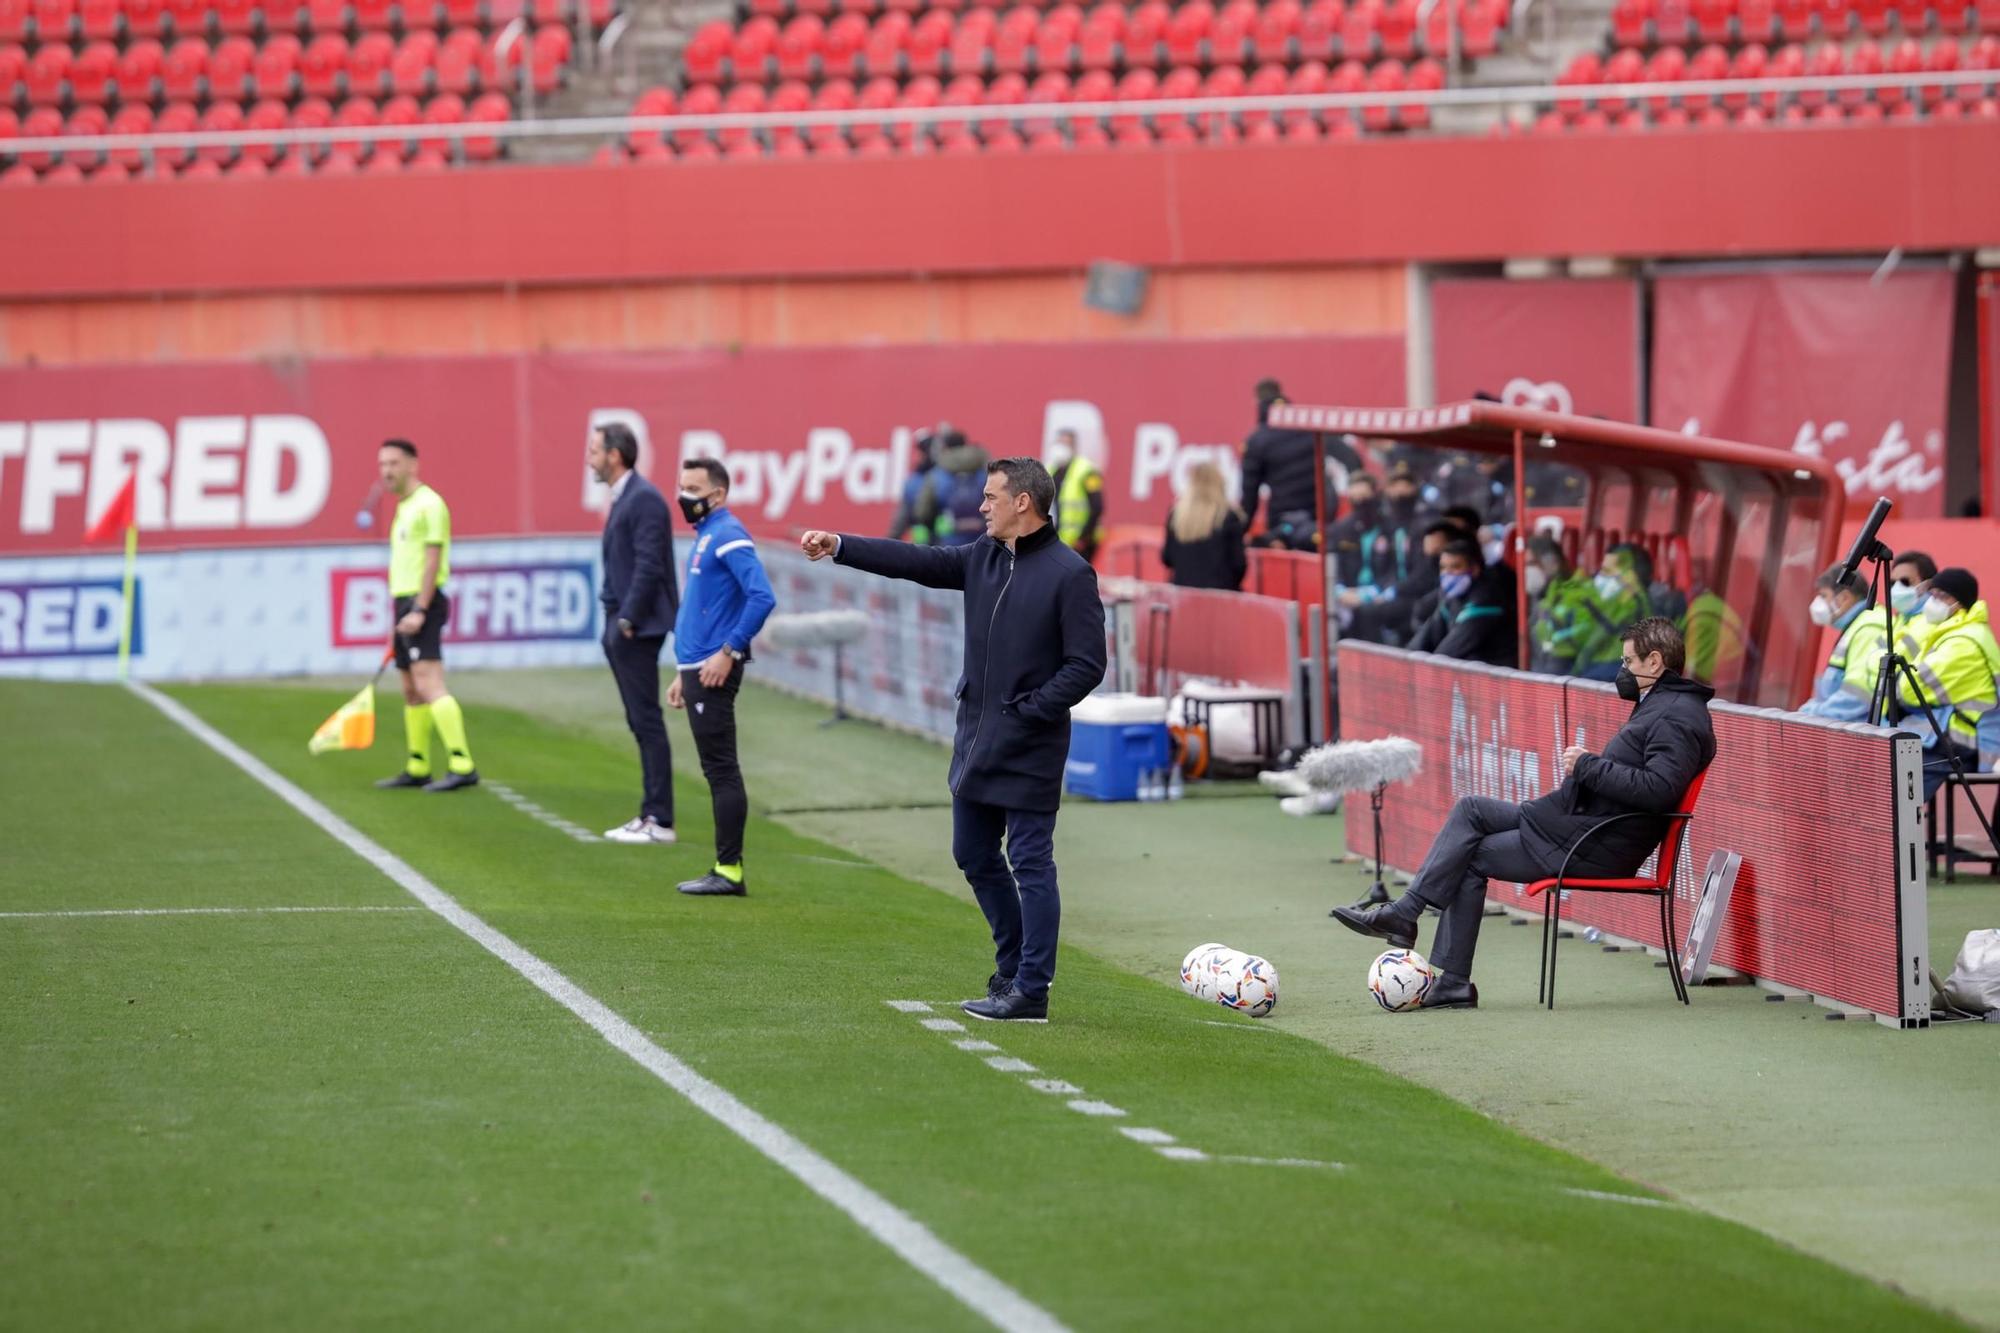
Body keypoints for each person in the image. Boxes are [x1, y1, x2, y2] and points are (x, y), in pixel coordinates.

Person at [800, 457, 1107, 1023]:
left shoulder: (1070, 573)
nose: (980, 506)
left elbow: (1087, 665)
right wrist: (841, 544)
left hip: (1031, 743)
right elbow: (915, 561)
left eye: (991, 497)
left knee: (1032, 862)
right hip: (977, 738)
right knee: (972, 854)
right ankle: (1012, 968)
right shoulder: (982, 557)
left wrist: (1032, 710)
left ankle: (1031, 991)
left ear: (1023, 503)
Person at [1334, 617, 1716, 1008]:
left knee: (1469, 856)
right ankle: (1408, 917)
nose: (1622, 672)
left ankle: (1441, 964)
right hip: (1574, 825)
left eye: (1628, 663)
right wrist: (1590, 768)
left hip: (1592, 844)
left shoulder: (1677, 714)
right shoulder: (1664, 705)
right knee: (1470, 810)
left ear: (1655, 662)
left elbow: (1659, 791)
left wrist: (1587, 765)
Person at [668, 457, 778, 896]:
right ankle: (725, 866)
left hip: (713, 670)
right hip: (696, 670)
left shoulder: (728, 534)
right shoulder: (708, 534)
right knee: (717, 768)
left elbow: (762, 596)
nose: (684, 497)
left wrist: (727, 651)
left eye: (693, 488)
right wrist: (683, 672)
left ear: (718, 495)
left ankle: (728, 869)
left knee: (721, 769)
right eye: (682, 486)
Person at [590, 422, 680, 845]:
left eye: (594, 450)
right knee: (639, 721)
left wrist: (627, 619)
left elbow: (650, 565)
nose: (589, 457)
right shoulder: (628, 496)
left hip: (636, 627)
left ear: (614, 454)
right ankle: (649, 813)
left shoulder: (643, 499)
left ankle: (660, 819)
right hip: (624, 621)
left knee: (646, 720)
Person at [373, 438, 478, 793]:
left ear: (412, 465)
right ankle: (418, 765)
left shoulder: (430, 505)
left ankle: (462, 763)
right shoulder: (405, 507)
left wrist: (419, 608)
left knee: (428, 682)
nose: (387, 471)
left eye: (394, 463)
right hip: (403, 602)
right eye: (383, 464)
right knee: (409, 687)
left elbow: (432, 561)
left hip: (423, 603)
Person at [1896, 567, 2000, 800]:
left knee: (1897, 792)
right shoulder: (1953, 631)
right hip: (1946, 735)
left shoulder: (1963, 641)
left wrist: (1899, 684)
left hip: (1961, 740)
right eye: (1932, 594)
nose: (1933, 602)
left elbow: (1910, 691)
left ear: (1960, 602)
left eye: (1942, 596)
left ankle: (1898, 834)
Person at [1241, 377, 1361, 551]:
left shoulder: (1257, 440)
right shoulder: (1308, 427)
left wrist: (1240, 532)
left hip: (1283, 522)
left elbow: (1249, 494)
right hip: (1319, 517)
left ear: (1257, 402)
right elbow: (1351, 459)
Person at [1796, 564, 1887, 723]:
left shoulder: (1869, 628)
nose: (1818, 603)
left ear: (1845, 598)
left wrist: (1810, 714)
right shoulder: (1858, 624)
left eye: (1824, 596)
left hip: (1860, 734)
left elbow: (1858, 696)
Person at [1409, 538, 1517, 667]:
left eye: (1455, 567)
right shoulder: (1451, 596)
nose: (1447, 573)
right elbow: (1428, 635)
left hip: (1496, 678)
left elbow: (1449, 651)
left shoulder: (1486, 599)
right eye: (1443, 567)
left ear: (1475, 569)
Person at [1160, 461, 1247, 591]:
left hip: (1184, 594)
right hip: (1221, 595)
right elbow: (1239, 564)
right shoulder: (1229, 516)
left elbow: (1167, 557)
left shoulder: (1177, 515)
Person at [1525, 534, 1602, 676]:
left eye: (1532, 563)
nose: (1528, 571)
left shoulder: (1580, 595)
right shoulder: (1540, 600)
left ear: (1551, 563)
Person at [1576, 545, 1653, 680]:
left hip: (1611, 669)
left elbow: (1598, 636)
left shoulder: (1627, 597)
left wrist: (1577, 667)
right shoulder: (1640, 596)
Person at [913, 430, 991, 547]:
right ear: (966, 444)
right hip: (985, 541)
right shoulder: (986, 473)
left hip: (948, 544)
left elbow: (922, 512)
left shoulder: (936, 476)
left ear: (945, 447)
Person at [1048, 429, 1105, 564]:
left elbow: (1097, 506)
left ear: (1074, 447)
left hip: (1081, 543)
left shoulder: (1086, 470)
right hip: (1060, 540)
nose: (1061, 448)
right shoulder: (1052, 470)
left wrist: (1083, 538)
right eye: (1059, 443)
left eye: (1066, 444)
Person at [888, 426, 944, 544]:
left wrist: (888, 542)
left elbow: (901, 520)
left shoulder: (915, 482)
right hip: (936, 547)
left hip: (931, 548)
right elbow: (902, 518)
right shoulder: (945, 476)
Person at [1890, 550, 1938, 662]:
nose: (1896, 589)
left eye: (1905, 582)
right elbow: (1870, 658)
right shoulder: (1898, 619)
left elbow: (1890, 662)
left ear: (1927, 585)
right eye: (1892, 583)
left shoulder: (1933, 622)